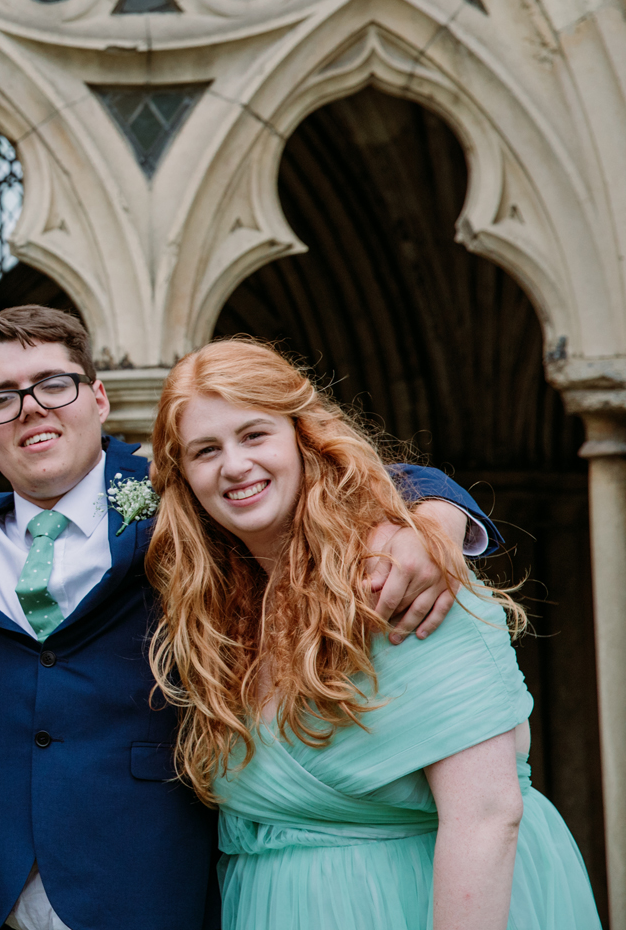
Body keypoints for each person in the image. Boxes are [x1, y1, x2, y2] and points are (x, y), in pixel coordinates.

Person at [0, 305, 499, 930]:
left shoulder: (183, 488)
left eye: (54, 384)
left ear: (98, 398)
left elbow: (321, 474)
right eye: (1, 398)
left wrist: (436, 517)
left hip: (148, 886)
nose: (30, 408)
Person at [145, 338, 601, 930]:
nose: (234, 465)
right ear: (182, 475)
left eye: (255, 435)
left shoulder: (398, 576)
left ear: (305, 439)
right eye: (206, 450)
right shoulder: (219, 611)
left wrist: (438, 518)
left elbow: (487, 816)